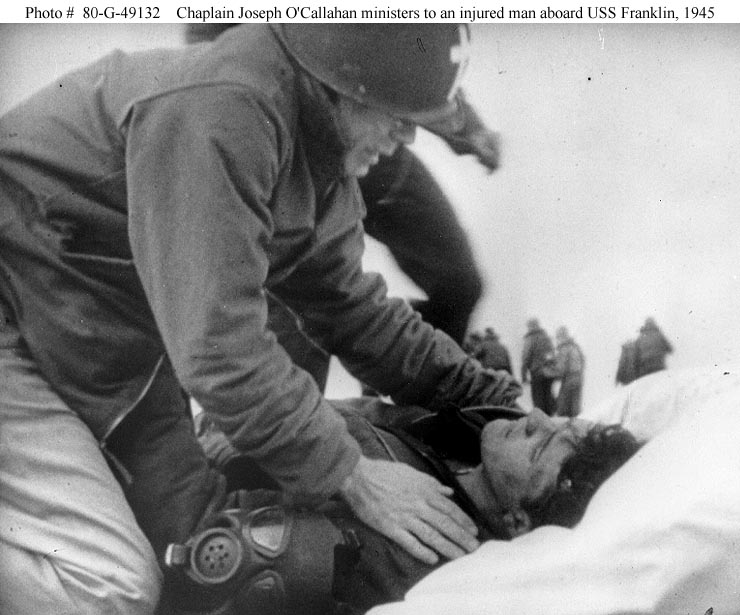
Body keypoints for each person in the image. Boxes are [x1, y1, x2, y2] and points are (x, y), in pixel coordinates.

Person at [0, 24, 524, 615]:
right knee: (111, 586)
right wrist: (353, 474)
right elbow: (219, 351)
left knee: (201, 553)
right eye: (396, 113)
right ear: (338, 85)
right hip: (24, 298)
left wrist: (493, 396)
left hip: (88, 317)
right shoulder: (223, 112)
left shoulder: (318, 159)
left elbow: (353, 313)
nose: (407, 136)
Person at [184, 23, 500, 389]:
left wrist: (466, 127)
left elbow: (409, 51)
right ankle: (284, 430)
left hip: (377, 147)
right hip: (295, 139)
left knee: (460, 283)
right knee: (303, 309)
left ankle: (409, 398)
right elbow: (216, 45)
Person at [183, 401, 641, 614]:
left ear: (518, 521)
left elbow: (219, 545)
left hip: (171, 472)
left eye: (540, 447)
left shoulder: (416, 542)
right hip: (220, 416)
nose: (537, 419)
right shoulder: (460, 441)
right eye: (555, 425)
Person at [520, 318, 557, 415]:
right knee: (548, 397)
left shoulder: (530, 339)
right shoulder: (546, 337)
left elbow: (526, 358)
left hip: (537, 373)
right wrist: (549, 366)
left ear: (530, 326)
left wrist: (523, 375)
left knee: (538, 399)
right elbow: (551, 355)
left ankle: (542, 422)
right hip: (548, 373)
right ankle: (553, 420)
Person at [553, 326, 585, 417]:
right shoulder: (575, 346)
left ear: (561, 336)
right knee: (575, 407)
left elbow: (561, 369)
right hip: (578, 378)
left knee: (562, 407)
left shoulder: (564, 348)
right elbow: (583, 361)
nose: (557, 339)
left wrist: (550, 373)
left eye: (558, 337)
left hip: (569, 379)